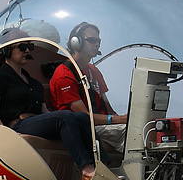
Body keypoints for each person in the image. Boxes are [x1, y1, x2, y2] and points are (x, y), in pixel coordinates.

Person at [0, 35, 96, 180]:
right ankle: (87, 171)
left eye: (30, 47)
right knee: (65, 117)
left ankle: (102, 165)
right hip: (16, 126)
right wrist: (2, 137)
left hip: (36, 123)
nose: (27, 50)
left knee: (81, 117)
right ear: (7, 50)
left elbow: (45, 112)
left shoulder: (34, 83)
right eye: (22, 47)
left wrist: (62, 119)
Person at [51, 22, 127, 165]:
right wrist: (119, 120)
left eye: (99, 41)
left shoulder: (94, 71)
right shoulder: (64, 74)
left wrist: (125, 118)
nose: (97, 44)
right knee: (133, 134)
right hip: (84, 127)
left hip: (103, 124)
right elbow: (84, 117)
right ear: (76, 42)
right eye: (92, 40)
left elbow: (108, 109)